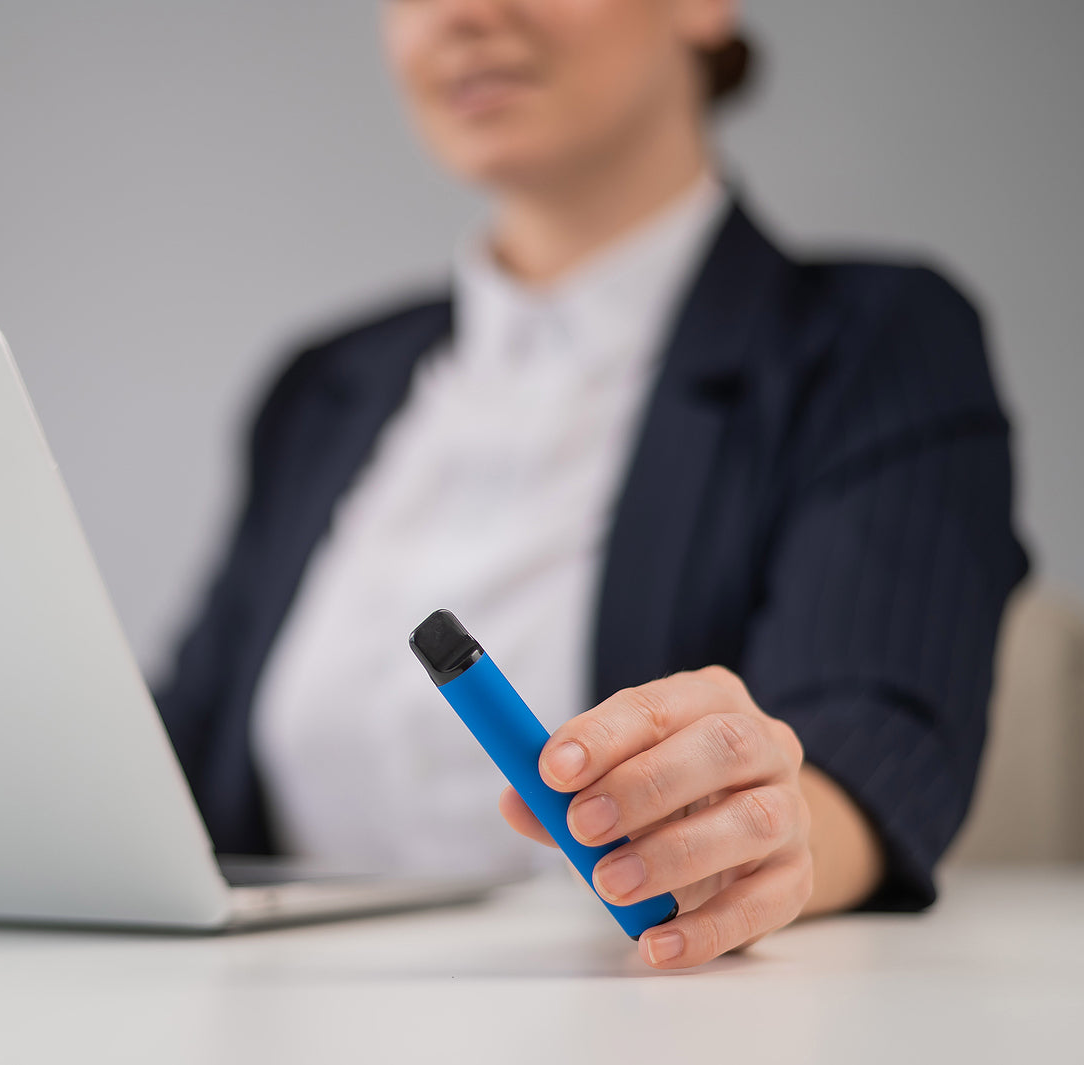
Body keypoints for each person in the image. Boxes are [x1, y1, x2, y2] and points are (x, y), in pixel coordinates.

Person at [153, 0, 1027, 969]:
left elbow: (874, 735)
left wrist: (765, 836)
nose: (462, 15)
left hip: (640, 1011)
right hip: (285, 1009)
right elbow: (177, 760)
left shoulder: (870, 343)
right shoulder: (323, 388)